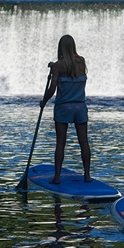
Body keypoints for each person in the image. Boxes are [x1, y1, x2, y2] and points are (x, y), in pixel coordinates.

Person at [40, 35, 91, 184]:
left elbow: (52, 89)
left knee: (61, 143)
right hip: (80, 106)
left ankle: (57, 178)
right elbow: (70, 67)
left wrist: (44, 101)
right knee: (84, 142)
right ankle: (87, 175)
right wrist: (53, 66)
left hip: (63, 107)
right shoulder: (81, 62)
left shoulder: (58, 66)